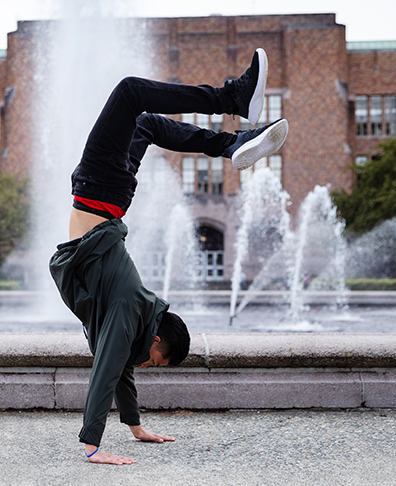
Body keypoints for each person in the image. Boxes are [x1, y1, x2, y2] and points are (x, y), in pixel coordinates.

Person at [49, 48, 288, 465]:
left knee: (143, 120)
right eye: (156, 361)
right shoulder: (129, 308)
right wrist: (93, 446)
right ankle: (230, 101)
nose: (147, 366)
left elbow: (118, 366)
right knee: (130, 94)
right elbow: (109, 367)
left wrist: (136, 427)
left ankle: (233, 144)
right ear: (156, 339)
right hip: (100, 190)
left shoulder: (131, 315)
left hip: (106, 196)